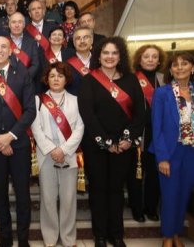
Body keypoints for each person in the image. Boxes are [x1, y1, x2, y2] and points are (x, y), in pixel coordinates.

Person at [77, 37, 145, 247]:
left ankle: (116, 234)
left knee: (116, 190)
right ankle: (99, 235)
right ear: (98, 56)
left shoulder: (131, 80)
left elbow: (140, 115)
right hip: (97, 145)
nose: (109, 57)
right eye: (105, 53)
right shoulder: (89, 80)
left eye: (114, 53)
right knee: (98, 190)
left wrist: (126, 140)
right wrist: (106, 142)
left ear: (120, 56)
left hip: (124, 146)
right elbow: (87, 114)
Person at [0, 36, 36, 247]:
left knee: (22, 195)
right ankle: (5, 238)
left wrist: (10, 136)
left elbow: (30, 111)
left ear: (11, 50)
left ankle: (23, 239)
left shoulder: (24, 75)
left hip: (19, 145)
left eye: (4, 47)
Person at [31, 62, 84, 247]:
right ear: (46, 79)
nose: (55, 79)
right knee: (48, 198)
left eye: (60, 76)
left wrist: (64, 149)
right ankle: (50, 238)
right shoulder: (38, 101)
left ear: (66, 79)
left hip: (69, 156)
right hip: (46, 156)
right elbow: (36, 128)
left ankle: (69, 238)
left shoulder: (76, 101)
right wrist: (52, 149)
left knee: (69, 199)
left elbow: (80, 128)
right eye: (52, 76)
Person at [149, 52, 194, 247]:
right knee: (169, 195)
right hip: (170, 151)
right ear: (170, 70)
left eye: (185, 64)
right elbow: (156, 127)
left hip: (191, 152)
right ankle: (167, 236)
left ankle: (176, 232)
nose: (180, 68)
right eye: (175, 65)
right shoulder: (162, 93)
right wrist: (162, 158)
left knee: (184, 193)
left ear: (192, 68)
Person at [127, 45, 166, 223]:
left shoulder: (165, 79)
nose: (150, 59)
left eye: (154, 57)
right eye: (146, 56)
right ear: (139, 59)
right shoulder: (131, 79)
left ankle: (151, 207)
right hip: (138, 132)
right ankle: (137, 209)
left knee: (154, 172)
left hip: (159, 134)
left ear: (159, 60)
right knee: (137, 172)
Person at [26, 0, 57, 92]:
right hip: (31, 75)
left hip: (50, 72)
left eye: (39, 8)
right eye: (33, 9)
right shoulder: (24, 30)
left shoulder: (53, 27)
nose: (36, 11)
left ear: (43, 11)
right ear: (30, 13)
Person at [8, 12, 40, 92]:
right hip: (7, 85)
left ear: (24, 25)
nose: (17, 25)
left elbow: (35, 64)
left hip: (27, 86)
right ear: (9, 25)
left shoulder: (31, 42)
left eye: (20, 22)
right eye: (14, 22)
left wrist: (24, 79)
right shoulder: (3, 42)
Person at [65, 27, 94, 95]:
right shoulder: (66, 65)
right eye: (78, 38)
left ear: (92, 40)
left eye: (85, 37)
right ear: (74, 43)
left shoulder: (100, 63)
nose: (82, 41)